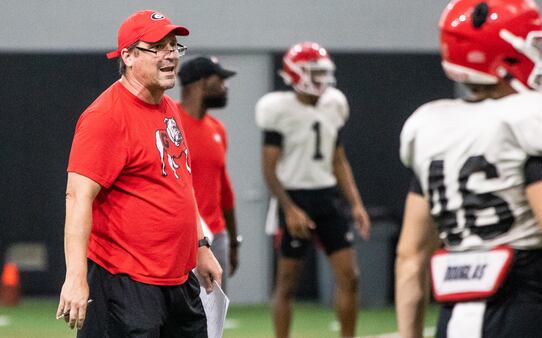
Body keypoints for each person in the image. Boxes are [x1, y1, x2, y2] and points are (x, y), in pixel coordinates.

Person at [395, 0, 542, 337]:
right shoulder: (535, 116)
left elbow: (410, 256)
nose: (540, 54)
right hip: (523, 308)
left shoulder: (431, 127)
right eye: (533, 44)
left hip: (453, 318)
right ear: (504, 55)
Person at [56, 10, 222, 337]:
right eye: (158, 47)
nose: (170, 55)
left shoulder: (169, 108)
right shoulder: (106, 116)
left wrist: (201, 245)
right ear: (128, 56)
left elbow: (180, 182)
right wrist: (75, 277)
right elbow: (77, 198)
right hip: (125, 283)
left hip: (177, 281)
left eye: (174, 46)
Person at [255, 41, 371, 338]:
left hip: (328, 196)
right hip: (294, 196)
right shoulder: (279, 109)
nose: (320, 79)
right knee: (287, 283)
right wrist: (289, 207)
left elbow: (338, 158)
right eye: (314, 72)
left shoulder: (335, 103)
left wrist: (356, 203)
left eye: (322, 73)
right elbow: (269, 167)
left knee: (350, 277)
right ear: (295, 74)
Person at [177, 56, 241, 292]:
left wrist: (234, 242)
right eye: (220, 80)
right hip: (179, 236)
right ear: (201, 82)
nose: (225, 87)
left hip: (216, 235)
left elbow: (224, 189)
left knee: (213, 320)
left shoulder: (217, 129)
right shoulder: (168, 120)